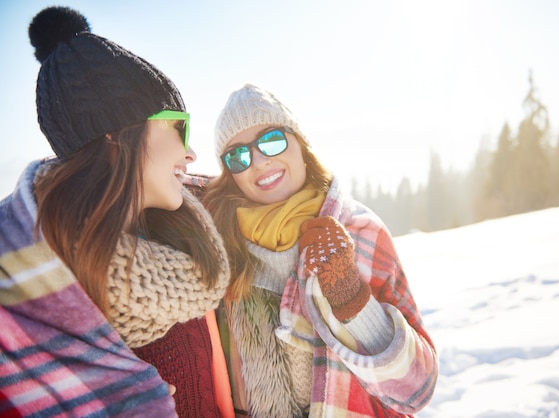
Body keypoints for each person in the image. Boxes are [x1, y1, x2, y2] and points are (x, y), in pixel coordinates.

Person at [0, 7, 232, 417]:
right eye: (179, 127)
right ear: (114, 135)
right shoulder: (17, 288)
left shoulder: (181, 245)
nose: (191, 152)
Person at [201, 83, 438, 417]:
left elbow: (417, 388)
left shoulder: (361, 233)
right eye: (237, 156)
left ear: (300, 143)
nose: (257, 161)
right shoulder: (220, 251)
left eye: (271, 140)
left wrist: (351, 300)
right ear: (230, 173)